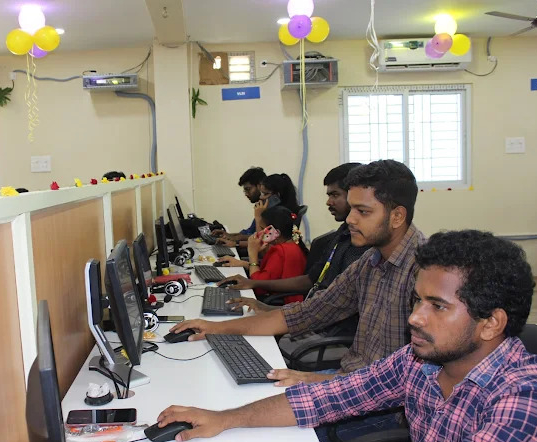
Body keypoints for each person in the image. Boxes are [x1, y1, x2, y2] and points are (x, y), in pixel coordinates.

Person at [155, 231, 537, 442]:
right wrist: (225, 418)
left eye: (437, 306)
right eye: (417, 300)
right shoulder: (418, 361)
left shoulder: (522, 401)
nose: (415, 317)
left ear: (491, 324)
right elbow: (330, 397)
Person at [171, 159, 423, 385]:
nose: (350, 219)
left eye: (363, 211)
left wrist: (314, 380)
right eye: (352, 208)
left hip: (375, 401)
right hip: (351, 382)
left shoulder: (424, 272)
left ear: (397, 216)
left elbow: (410, 379)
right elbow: (309, 312)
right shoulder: (370, 262)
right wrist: (215, 327)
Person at [218, 163, 368, 311]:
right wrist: (255, 285)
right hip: (305, 311)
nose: (328, 202)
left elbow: (329, 310)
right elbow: (310, 280)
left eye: (335, 195)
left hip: (311, 318)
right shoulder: (341, 235)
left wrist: (267, 305)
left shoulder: (361, 250)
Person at [241, 206, 307, 304]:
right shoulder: (292, 245)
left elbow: (258, 285)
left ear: (276, 233)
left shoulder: (280, 251)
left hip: (280, 305)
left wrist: (252, 253)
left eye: (262, 229)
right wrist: (243, 263)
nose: (260, 233)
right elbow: (271, 272)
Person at [212, 167, 266, 240]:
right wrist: (228, 235)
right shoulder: (260, 206)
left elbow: (260, 238)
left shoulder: (269, 208)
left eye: (248, 189)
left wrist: (235, 240)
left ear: (260, 186)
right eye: (245, 190)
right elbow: (249, 232)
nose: (246, 194)